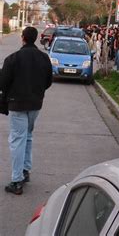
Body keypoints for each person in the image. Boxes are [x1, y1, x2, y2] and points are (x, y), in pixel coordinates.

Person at [0, 26, 52, 195]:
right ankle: (25, 170)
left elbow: (3, 82)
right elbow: (48, 81)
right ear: (36, 38)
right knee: (27, 136)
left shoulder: (12, 59)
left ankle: (16, 181)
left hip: (17, 105)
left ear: (22, 38)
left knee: (17, 140)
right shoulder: (44, 58)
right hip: (35, 104)